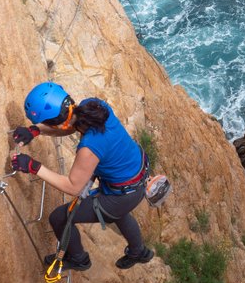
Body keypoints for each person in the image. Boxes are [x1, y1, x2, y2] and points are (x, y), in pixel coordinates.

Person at [10, 82, 153, 272]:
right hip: (136, 174)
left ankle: (78, 259)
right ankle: (139, 251)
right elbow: (71, 126)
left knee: (60, 217)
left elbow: (72, 186)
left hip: (122, 194)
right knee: (119, 213)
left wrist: (33, 166)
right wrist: (35, 130)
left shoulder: (89, 149)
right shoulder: (93, 106)